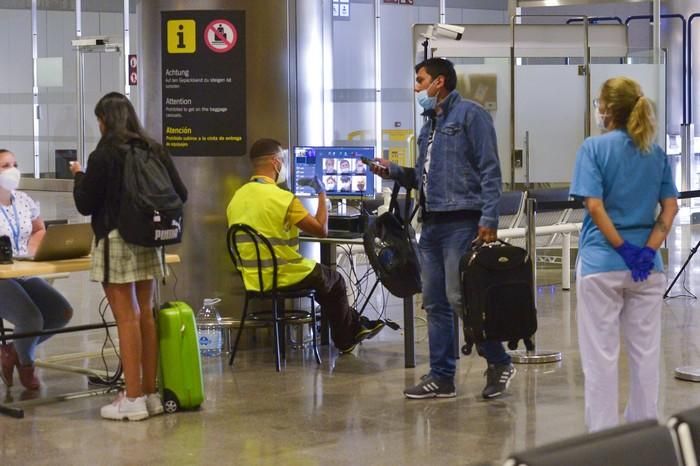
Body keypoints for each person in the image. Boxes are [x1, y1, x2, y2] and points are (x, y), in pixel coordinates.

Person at [370, 58, 515, 400]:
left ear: (439, 82)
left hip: (462, 221)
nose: (416, 87)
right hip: (431, 224)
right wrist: (394, 171)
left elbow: (490, 170)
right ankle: (442, 376)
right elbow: (422, 177)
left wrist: (489, 218)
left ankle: (498, 361)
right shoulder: (428, 126)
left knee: (461, 298)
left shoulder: (470, 116)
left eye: (420, 80)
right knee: (434, 303)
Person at [70, 92, 188, 421]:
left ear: (105, 120)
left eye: (99, 120)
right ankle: (149, 395)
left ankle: (132, 398)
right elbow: (182, 193)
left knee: (127, 316)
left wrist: (79, 175)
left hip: (116, 239)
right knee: (145, 314)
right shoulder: (153, 149)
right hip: (151, 239)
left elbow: (85, 202)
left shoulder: (105, 154)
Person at [570, 77, 678, 432]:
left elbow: (595, 206)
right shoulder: (655, 152)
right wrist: (646, 252)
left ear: (607, 108)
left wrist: (622, 249)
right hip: (648, 271)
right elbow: (670, 209)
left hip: (601, 265)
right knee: (646, 356)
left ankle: (602, 439)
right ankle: (646, 434)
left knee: (600, 358)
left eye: (599, 102)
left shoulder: (593, 149)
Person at [226, 138, 384, 354]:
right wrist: (321, 193)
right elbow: (321, 229)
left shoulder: (237, 197)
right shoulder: (282, 198)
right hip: (283, 274)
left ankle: (355, 326)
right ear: (275, 162)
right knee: (334, 280)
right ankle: (347, 338)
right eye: (283, 160)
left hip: (253, 278)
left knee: (324, 282)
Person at [0, 149, 73, 390]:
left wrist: (34, 245)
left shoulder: (23, 199)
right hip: (1, 276)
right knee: (31, 318)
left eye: (15, 164)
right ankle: (27, 363)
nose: (12, 170)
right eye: (5, 166)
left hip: (23, 270)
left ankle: (13, 351)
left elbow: (39, 229)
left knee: (61, 312)